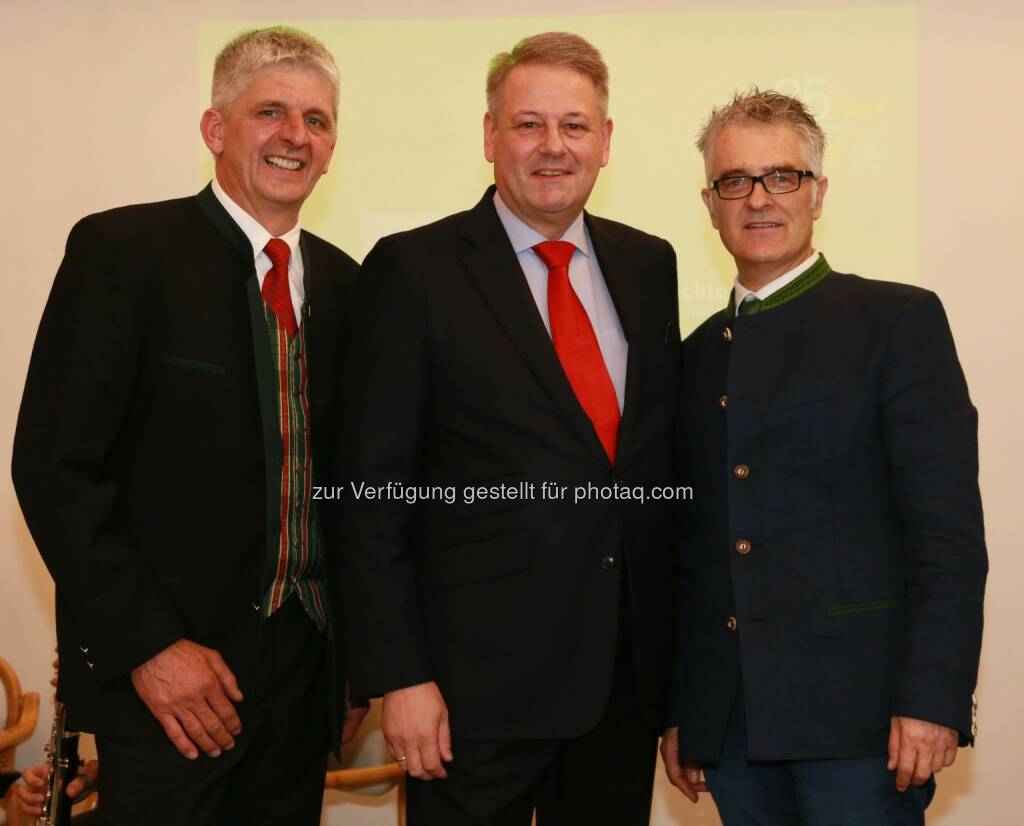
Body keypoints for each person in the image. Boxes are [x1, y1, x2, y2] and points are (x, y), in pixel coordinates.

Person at [12, 26, 364, 826]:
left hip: (305, 684)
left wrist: (351, 663)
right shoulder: (124, 252)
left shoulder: (347, 284)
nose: (295, 136)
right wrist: (147, 648)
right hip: (170, 687)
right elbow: (54, 467)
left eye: (317, 120)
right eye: (270, 111)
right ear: (215, 129)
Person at [338, 31, 680, 826]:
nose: (553, 147)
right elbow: (370, 492)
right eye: (528, 125)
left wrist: (674, 688)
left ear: (605, 141)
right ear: (490, 137)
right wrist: (400, 677)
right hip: (466, 700)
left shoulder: (649, 264)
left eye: (575, 125)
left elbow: (649, 481)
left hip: (618, 692)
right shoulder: (413, 269)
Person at [661, 88, 987, 825]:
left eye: (783, 176)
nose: (759, 199)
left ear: (819, 192)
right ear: (710, 204)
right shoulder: (693, 357)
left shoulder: (897, 320)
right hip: (735, 728)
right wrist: (688, 707)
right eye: (734, 181)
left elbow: (946, 536)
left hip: (864, 722)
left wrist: (932, 698)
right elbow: (693, 549)